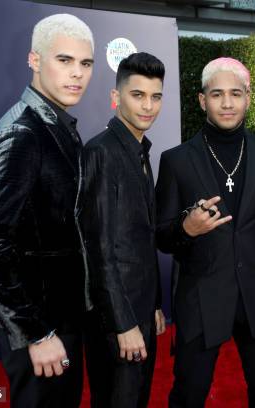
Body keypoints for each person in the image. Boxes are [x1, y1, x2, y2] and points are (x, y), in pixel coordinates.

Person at [155, 57, 255, 408]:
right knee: (189, 394)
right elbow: (161, 236)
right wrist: (187, 229)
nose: (227, 102)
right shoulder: (176, 160)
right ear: (202, 100)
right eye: (217, 94)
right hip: (201, 297)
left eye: (235, 93)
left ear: (248, 97)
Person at [0, 14, 94, 407]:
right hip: (38, 326)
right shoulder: (21, 133)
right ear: (34, 60)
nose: (77, 74)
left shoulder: (57, 123)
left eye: (85, 64)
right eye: (64, 60)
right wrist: (35, 334)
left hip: (61, 319)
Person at [76, 52, 166, 407]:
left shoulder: (139, 150)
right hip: (116, 320)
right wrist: (124, 324)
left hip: (139, 310)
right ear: (117, 98)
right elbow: (99, 249)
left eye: (156, 96)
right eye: (138, 95)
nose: (148, 106)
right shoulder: (101, 152)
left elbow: (140, 241)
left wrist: (153, 305)